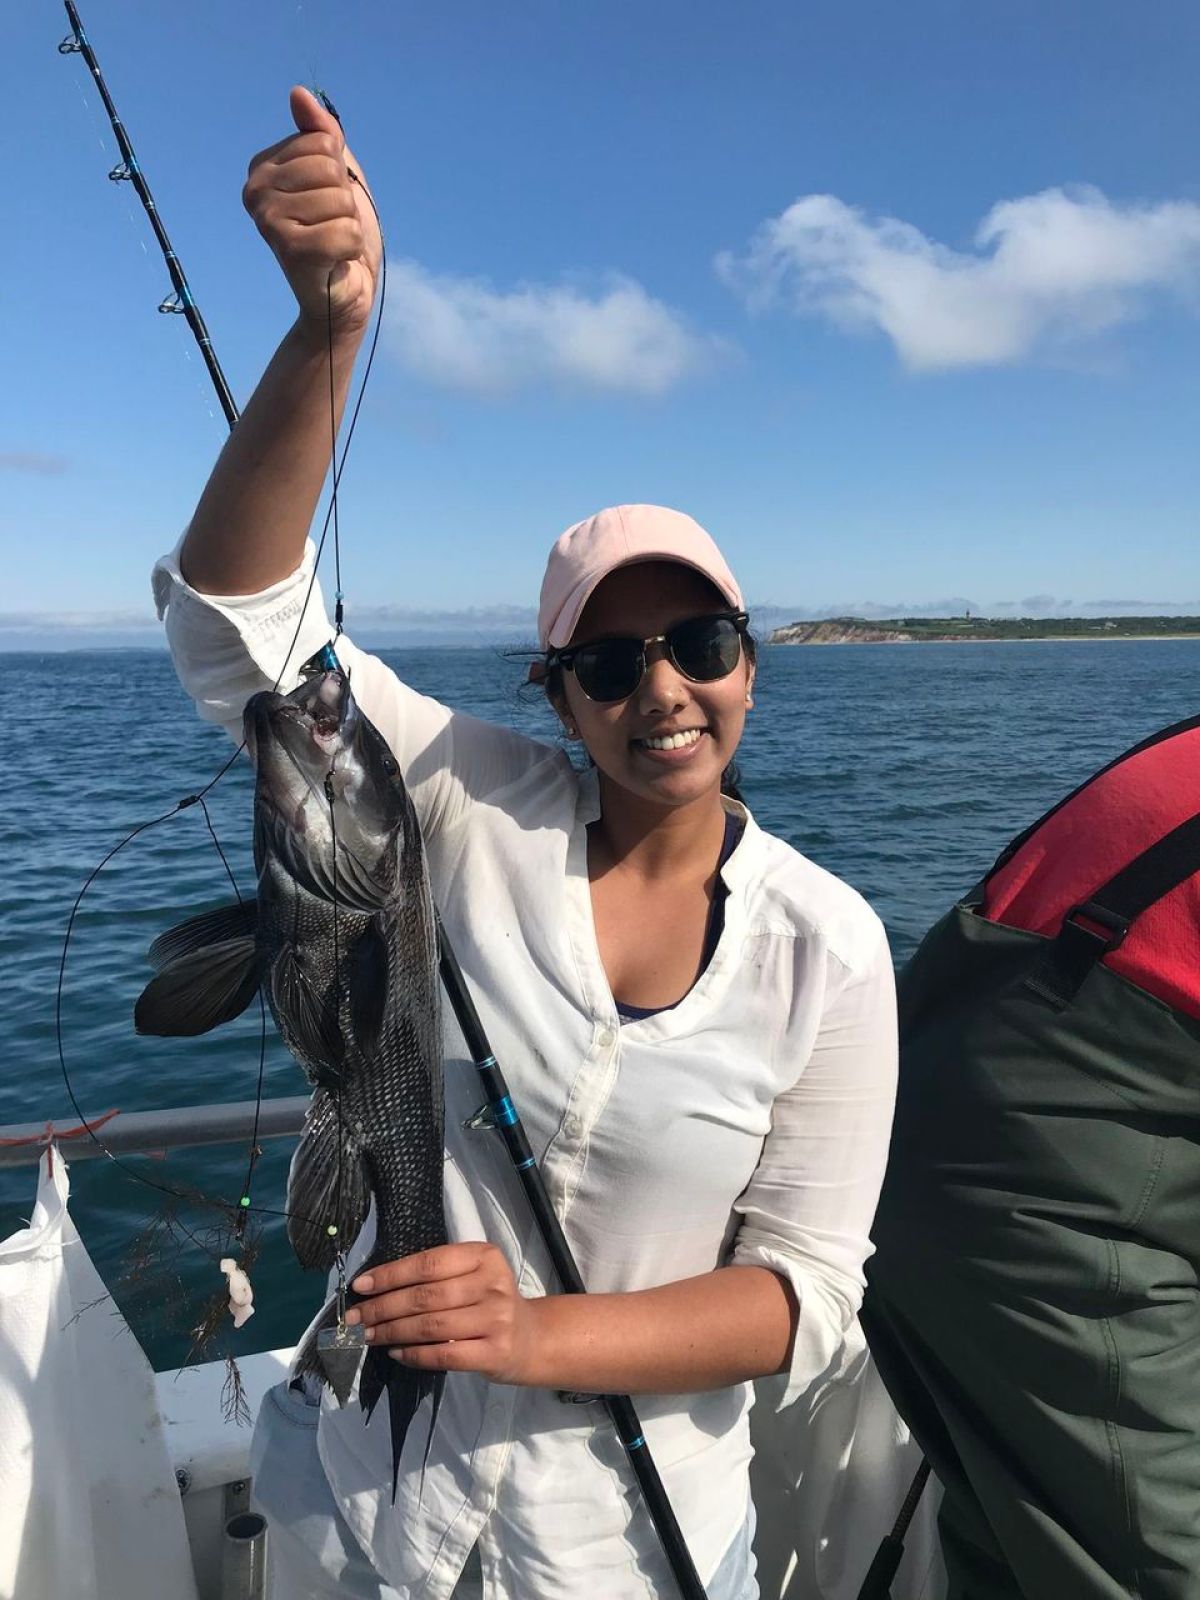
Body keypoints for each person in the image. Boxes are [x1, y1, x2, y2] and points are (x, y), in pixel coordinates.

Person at [151, 87, 898, 1600]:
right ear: (558, 696)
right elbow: (240, 634)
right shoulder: (459, 797)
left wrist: (532, 1333)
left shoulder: (827, 948)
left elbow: (806, 1297)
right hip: (364, 1508)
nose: (662, 690)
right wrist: (326, 334)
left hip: (625, 1551)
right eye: (610, 664)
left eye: (699, 644)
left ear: (751, 666)